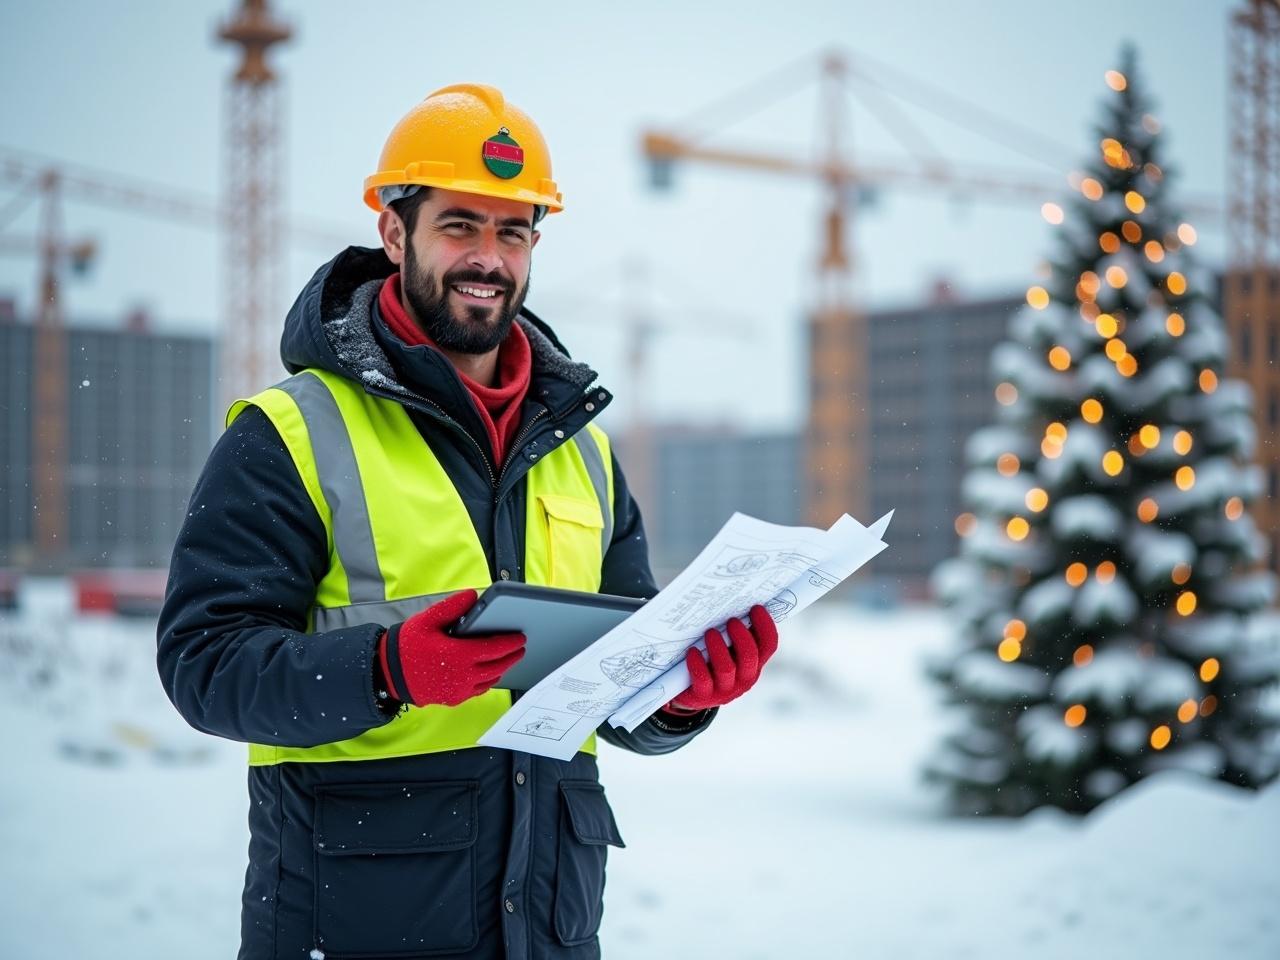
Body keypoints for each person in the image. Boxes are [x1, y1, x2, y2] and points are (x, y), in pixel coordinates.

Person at [157, 83, 779, 960]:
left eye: (513, 232)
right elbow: (203, 666)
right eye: (460, 225)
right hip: (358, 922)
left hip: (548, 929)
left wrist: (683, 696)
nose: (488, 258)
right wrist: (389, 669)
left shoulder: (585, 453)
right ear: (394, 232)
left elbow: (620, 679)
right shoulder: (290, 432)